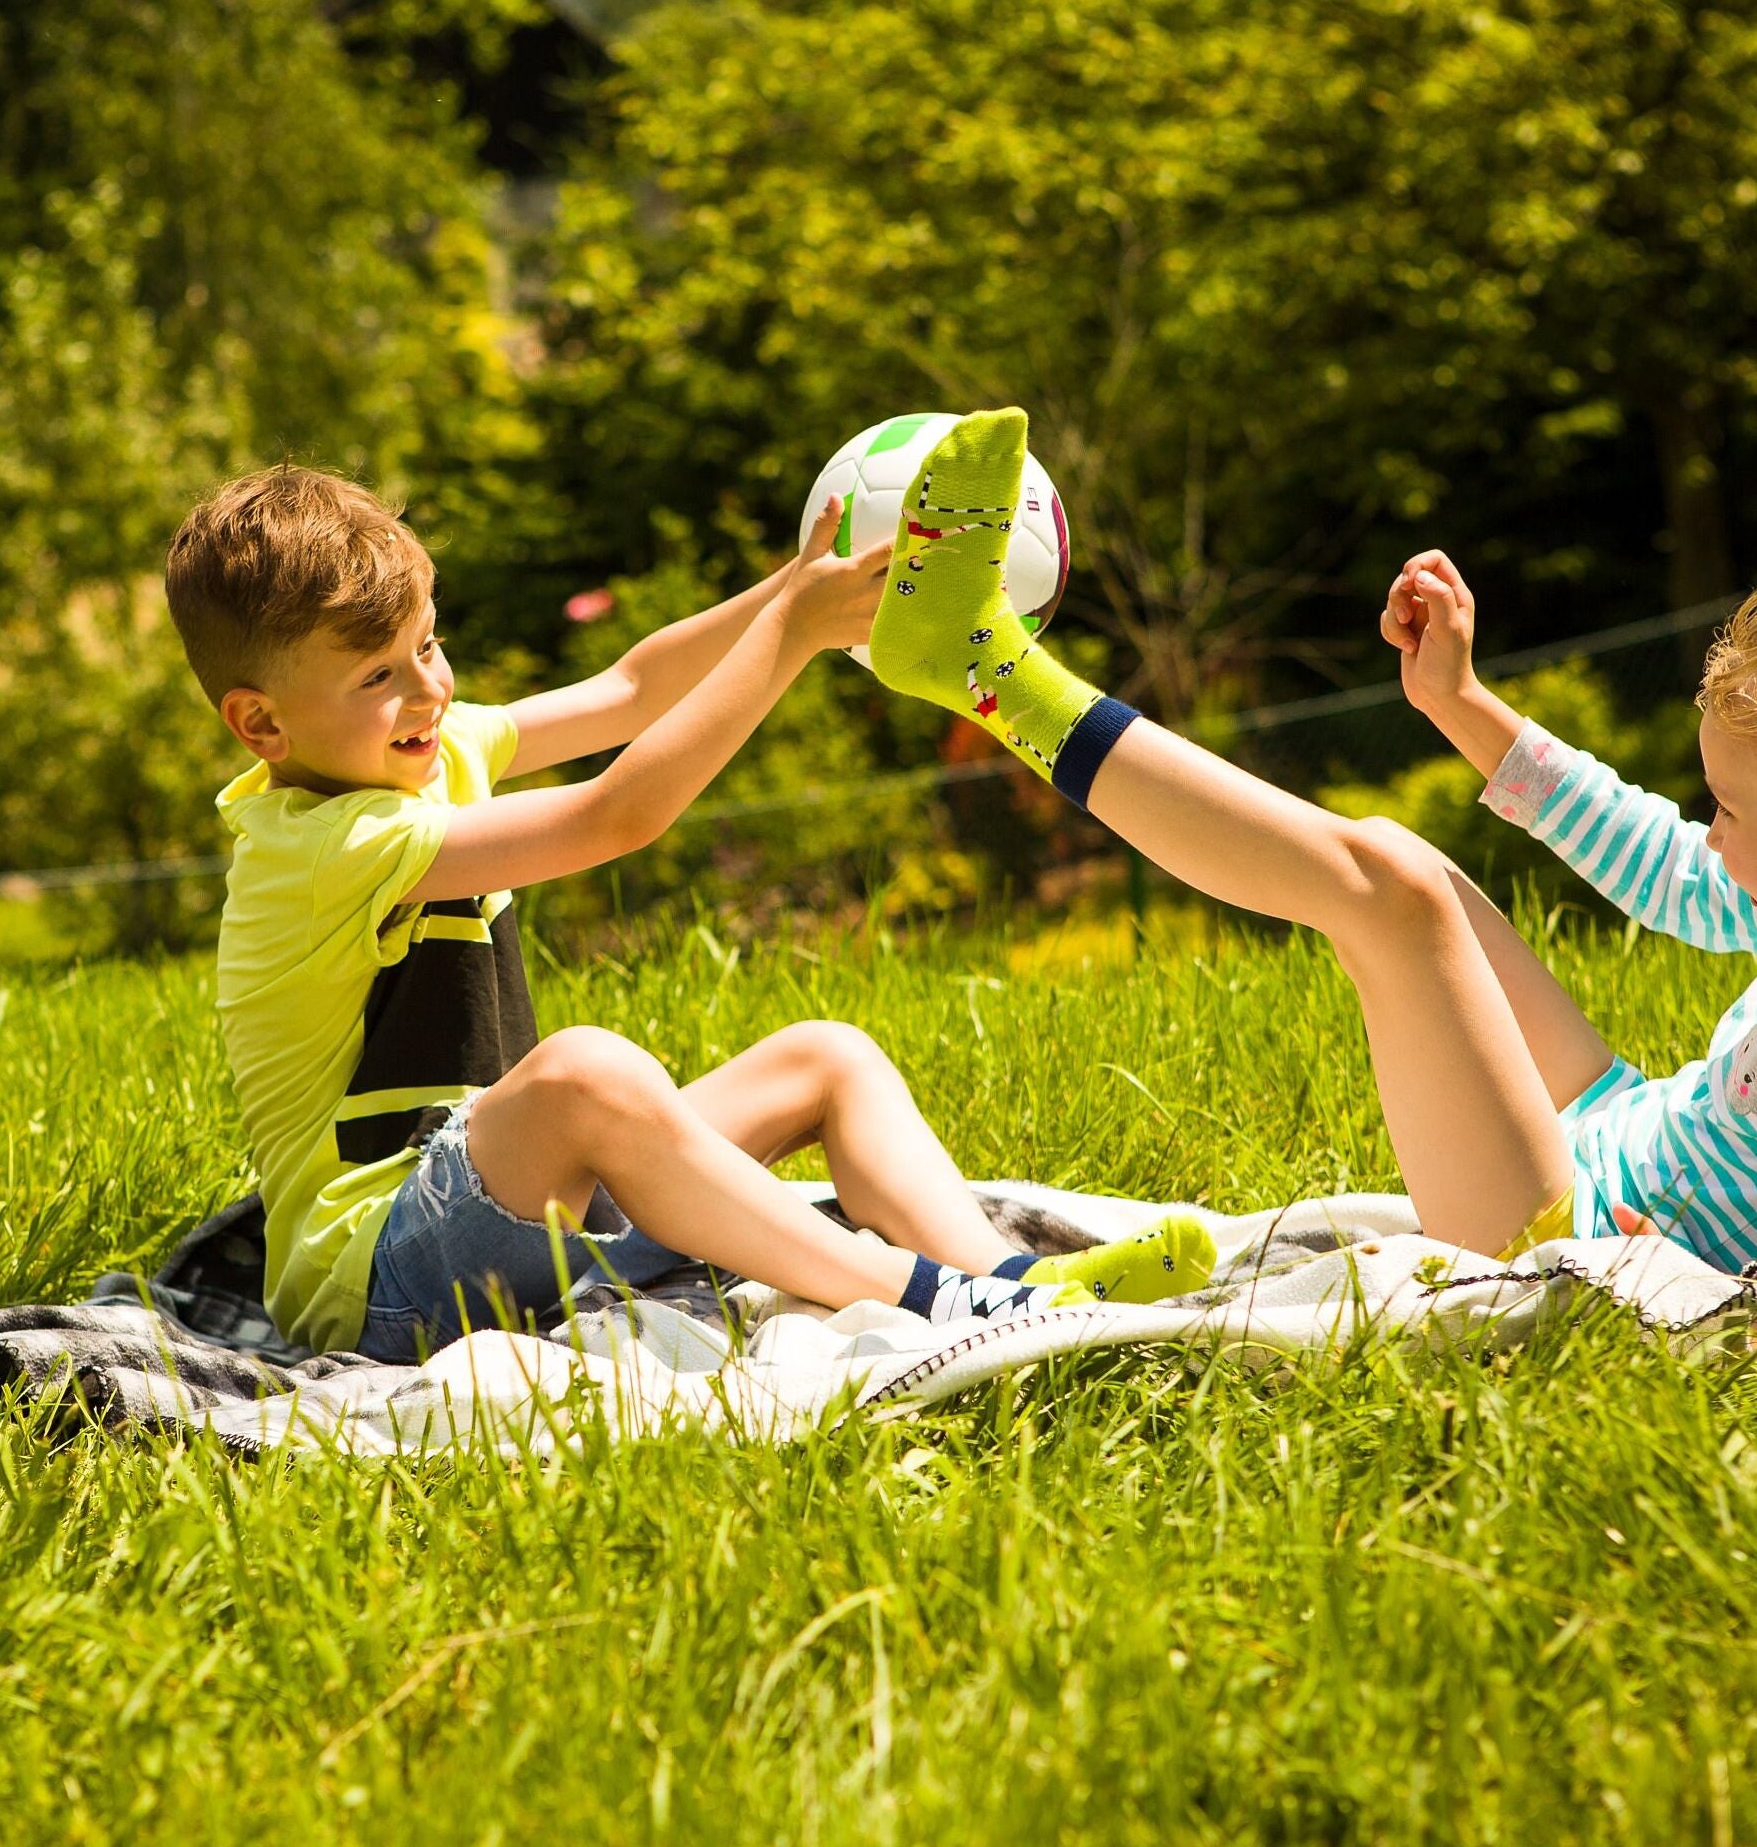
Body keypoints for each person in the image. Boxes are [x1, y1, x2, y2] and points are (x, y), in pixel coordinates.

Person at [867, 408, 1757, 1283]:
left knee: (1385, 887)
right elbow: (1665, 867)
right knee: (1416, 862)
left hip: (1564, 1235)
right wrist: (1460, 704)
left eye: (1725, 809)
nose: (1706, 834)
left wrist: (1731, 1306)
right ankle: (988, 667)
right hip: (1626, 1130)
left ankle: (989, 673)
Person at [166, 465, 1218, 1361]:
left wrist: (789, 588)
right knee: (590, 1074)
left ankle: (1016, 1283)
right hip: (380, 1285)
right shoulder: (321, 847)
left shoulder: (420, 749)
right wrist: (794, 636)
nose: (428, 692)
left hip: (521, 1214)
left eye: (428, 646)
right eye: (379, 675)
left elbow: (629, 691)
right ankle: (913, 1292)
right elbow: (618, 814)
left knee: (827, 1056)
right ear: (262, 723)